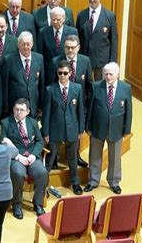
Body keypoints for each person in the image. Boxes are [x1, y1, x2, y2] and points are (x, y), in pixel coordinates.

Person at [85, 62, 132, 194]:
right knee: (94, 155)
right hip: (97, 128)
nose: (108, 76)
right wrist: (88, 127)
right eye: (105, 73)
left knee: (115, 157)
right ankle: (93, 181)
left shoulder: (126, 88)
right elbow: (90, 109)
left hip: (116, 129)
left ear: (117, 74)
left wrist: (126, 129)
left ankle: (114, 181)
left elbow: (129, 111)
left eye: (111, 74)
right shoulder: (96, 86)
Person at [42, 61, 85, 195]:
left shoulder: (77, 88)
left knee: (72, 159)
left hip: (72, 129)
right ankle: (43, 186)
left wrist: (81, 129)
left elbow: (80, 110)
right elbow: (46, 112)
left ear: (70, 73)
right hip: (55, 130)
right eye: (60, 73)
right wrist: (46, 132)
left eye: (65, 73)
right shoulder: (50, 90)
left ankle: (75, 183)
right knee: (50, 160)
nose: (62, 76)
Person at [1, 98, 48, 219]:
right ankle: (17, 205)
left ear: (27, 111)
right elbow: (3, 144)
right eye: (16, 109)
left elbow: (39, 141)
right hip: (16, 157)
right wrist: (17, 156)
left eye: (22, 110)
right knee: (17, 173)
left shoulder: (32, 122)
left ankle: (38, 204)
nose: (18, 112)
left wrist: (34, 155)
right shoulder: (5, 123)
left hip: (32, 156)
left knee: (42, 172)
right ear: (13, 110)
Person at [52, 34, 93, 168]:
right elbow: (52, 85)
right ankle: (55, 157)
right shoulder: (56, 61)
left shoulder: (85, 61)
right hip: (61, 103)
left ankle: (76, 156)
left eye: (72, 47)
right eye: (67, 47)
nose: (70, 50)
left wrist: (85, 104)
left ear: (78, 47)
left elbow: (89, 85)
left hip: (79, 106)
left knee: (77, 131)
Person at [76, 0, 118, 80]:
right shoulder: (81, 15)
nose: (92, 0)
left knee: (99, 89)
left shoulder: (109, 16)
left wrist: (113, 63)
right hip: (85, 59)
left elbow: (114, 42)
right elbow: (77, 38)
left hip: (102, 62)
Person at [2, 31, 44, 117]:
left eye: (28, 44)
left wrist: (41, 104)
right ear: (18, 45)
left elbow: (42, 84)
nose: (25, 47)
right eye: (23, 44)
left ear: (32, 44)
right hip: (15, 107)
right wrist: (6, 107)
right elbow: (4, 86)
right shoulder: (9, 60)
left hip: (33, 107)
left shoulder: (39, 58)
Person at [36, 7, 78, 87]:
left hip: (65, 72)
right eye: (53, 19)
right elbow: (40, 54)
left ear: (64, 19)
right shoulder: (43, 32)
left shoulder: (72, 31)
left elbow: (74, 52)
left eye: (58, 19)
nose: (55, 22)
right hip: (49, 73)